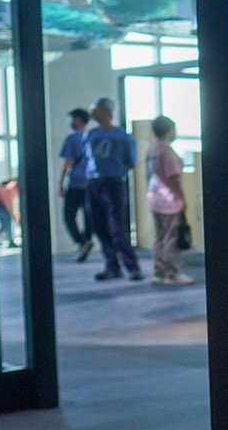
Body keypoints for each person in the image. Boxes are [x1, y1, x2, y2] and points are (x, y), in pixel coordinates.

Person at [83, 96, 143, 282]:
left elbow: (131, 162)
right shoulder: (90, 134)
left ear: (106, 111)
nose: (92, 112)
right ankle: (112, 266)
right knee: (99, 226)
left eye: (96, 108)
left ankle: (132, 267)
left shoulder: (122, 136)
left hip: (114, 183)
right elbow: (88, 159)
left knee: (117, 227)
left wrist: (115, 171)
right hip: (93, 182)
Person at [146, 115, 194, 287]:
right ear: (169, 130)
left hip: (154, 198)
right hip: (168, 200)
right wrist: (182, 198)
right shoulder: (166, 150)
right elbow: (173, 177)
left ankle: (159, 273)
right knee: (171, 238)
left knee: (159, 237)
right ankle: (172, 273)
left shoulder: (152, 149)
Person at [57, 107, 94, 261]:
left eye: (72, 119)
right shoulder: (94, 137)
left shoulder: (72, 138)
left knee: (68, 215)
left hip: (76, 183)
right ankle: (86, 241)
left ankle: (82, 242)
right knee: (89, 216)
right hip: (91, 183)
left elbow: (67, 162)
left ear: (78, 119)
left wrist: (61, 182)